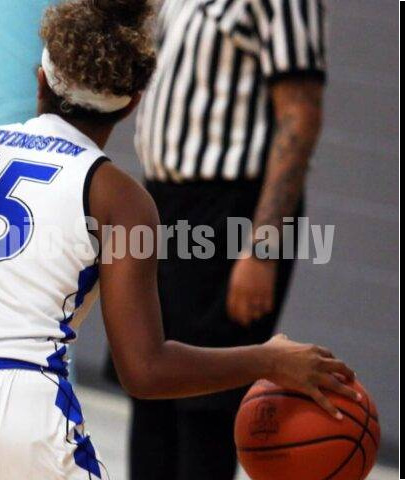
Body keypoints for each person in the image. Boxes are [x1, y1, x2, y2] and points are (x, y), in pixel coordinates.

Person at [0, 1, 355, 479]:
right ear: (134, 102)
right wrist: (269, 358)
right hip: (11, 413)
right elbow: (144, 368)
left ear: (40, 78)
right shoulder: (120, 199)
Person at [130, 0, 328, 477]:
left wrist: (263, 249)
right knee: (151, 392)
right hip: (164, 205)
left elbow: (300, 115)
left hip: (229, 214)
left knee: (207, 406)